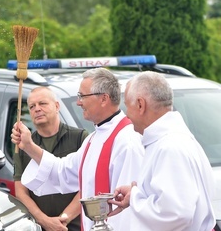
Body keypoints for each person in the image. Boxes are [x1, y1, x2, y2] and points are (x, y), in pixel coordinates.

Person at [11, 68, 145, 230]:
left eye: (82, 96)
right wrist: (29, 146)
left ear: (103, 99)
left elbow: (126, 208)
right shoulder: (92, 139)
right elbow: (63, 171)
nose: (78, 102)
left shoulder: (126, 140)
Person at [108, 71, 216, 231]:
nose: (127, 115)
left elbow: (176, 214)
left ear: (140, 104)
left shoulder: (169, 147)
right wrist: (139, 191)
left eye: (127, 106)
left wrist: (135, 198)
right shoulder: (173, 140)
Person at [13, 86, 89, 231]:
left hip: (75, 225)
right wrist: (45, 221)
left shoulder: (80, 138)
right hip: (39, 226)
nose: (37, 109)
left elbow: (88, 184)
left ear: (57, 106)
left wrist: (63, 219)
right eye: (32, 106)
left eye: (42, 103)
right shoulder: (23, 144)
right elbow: (21, 192)